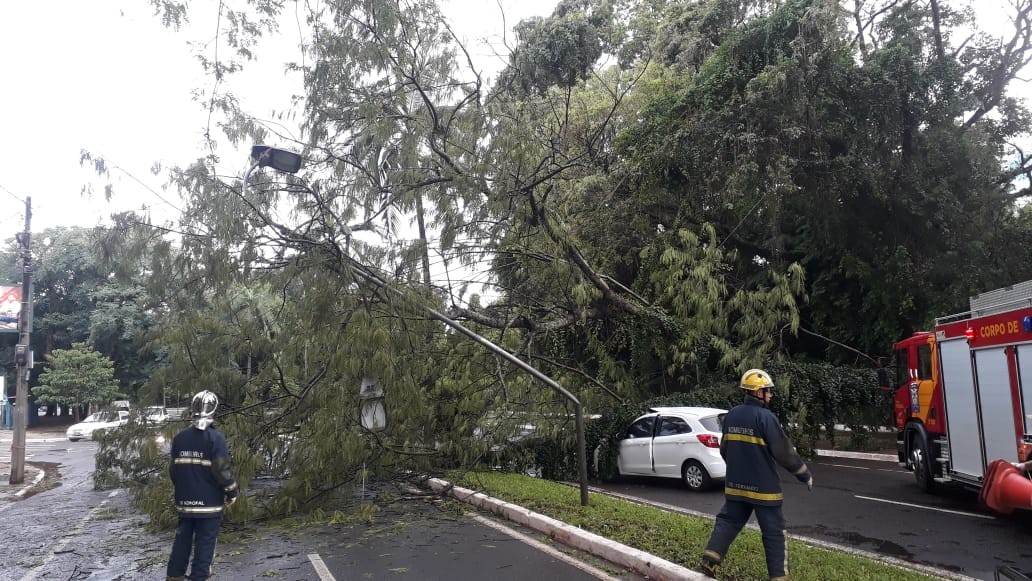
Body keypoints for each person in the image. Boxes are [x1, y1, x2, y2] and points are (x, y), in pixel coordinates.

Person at [701, 369, 813, 580]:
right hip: (764, 490)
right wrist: (803, 474)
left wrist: (738, 468)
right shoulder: (766, 417)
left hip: (736, 486)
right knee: (773, 533)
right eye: (767, 391)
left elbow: (724, 449)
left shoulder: (732, 414)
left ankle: (710, 560)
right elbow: (784, 452)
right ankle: (779, 577)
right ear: (757, 393)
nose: (770, 395)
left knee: (728, 521)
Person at [166, 390, 239, 581]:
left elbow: (174, 471)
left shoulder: (180, 438)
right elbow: (222, 470)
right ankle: (199, 577)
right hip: (209, 504)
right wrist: (232, 492)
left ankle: (174, 576)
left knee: (181, 541)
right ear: (214, 410)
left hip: (184, 502)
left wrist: (183, 491)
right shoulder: (216, 438)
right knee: (205, 544)